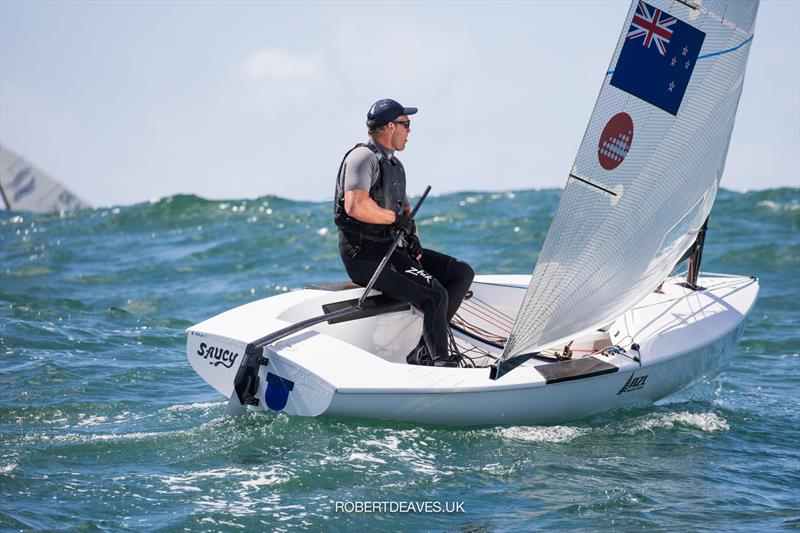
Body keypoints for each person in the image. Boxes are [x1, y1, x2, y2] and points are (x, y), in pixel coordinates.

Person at [333, 99, 474, 367]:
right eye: (406, 125)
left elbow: (403, 211)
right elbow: (355, 205)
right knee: (434, 294)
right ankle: (440, 362)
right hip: (363, 254)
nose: (409, 131)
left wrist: (411, 235)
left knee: (461, 273)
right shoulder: (362, 158)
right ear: (389, 127)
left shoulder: (394, 165)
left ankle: (424, 350)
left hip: (390, 249)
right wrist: (395, 220)